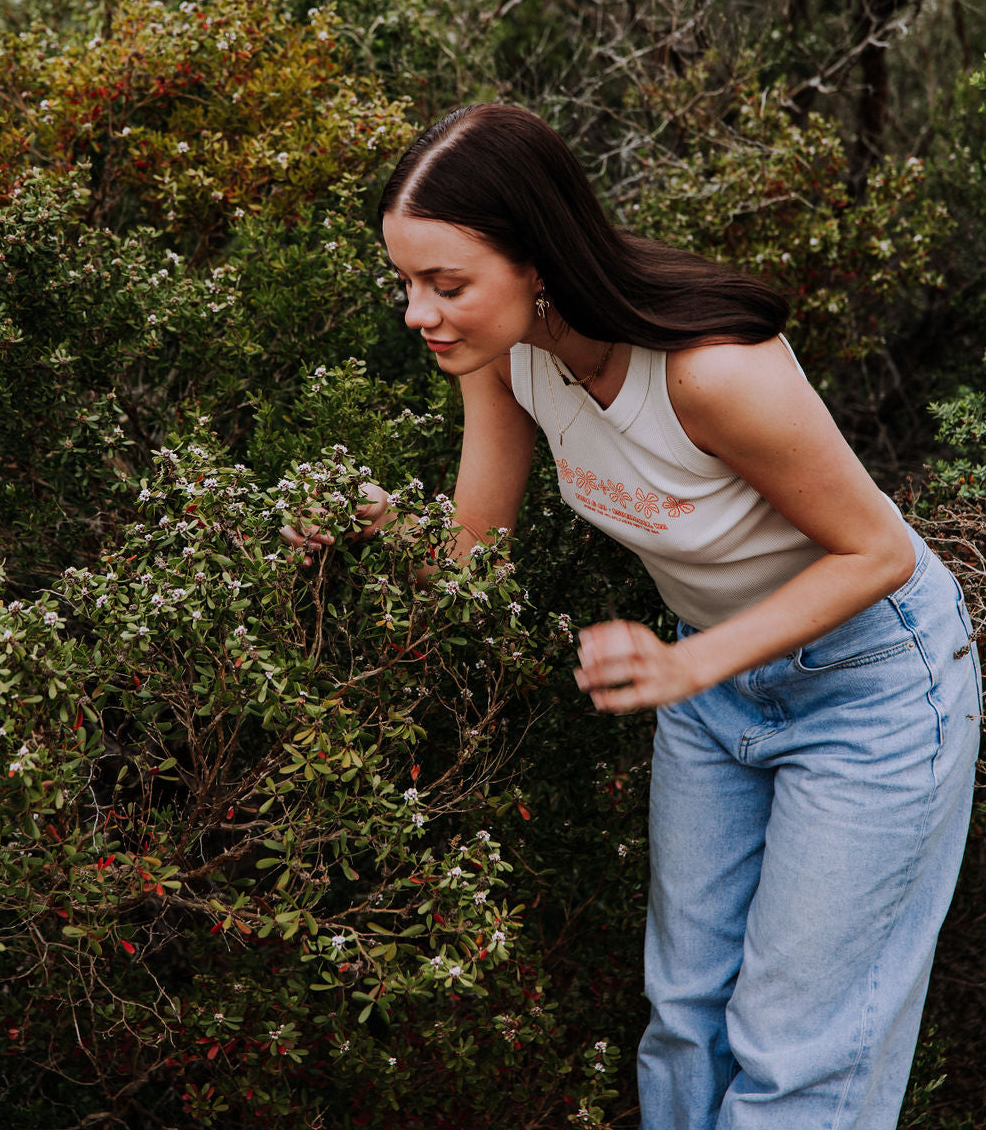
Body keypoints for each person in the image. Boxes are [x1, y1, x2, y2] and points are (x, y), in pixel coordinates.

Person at [284, 102, 982, 1130]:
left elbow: (874, 553)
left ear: (536, 261)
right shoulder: (509, 356)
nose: (417, 315)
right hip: (707, 680)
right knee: (683, 1019)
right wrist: (374, 528)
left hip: (870, 688)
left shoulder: (711, 373)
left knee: (798, 1051)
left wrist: (687, 669)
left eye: (445, 285)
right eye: (406, 284)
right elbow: (472, 552)